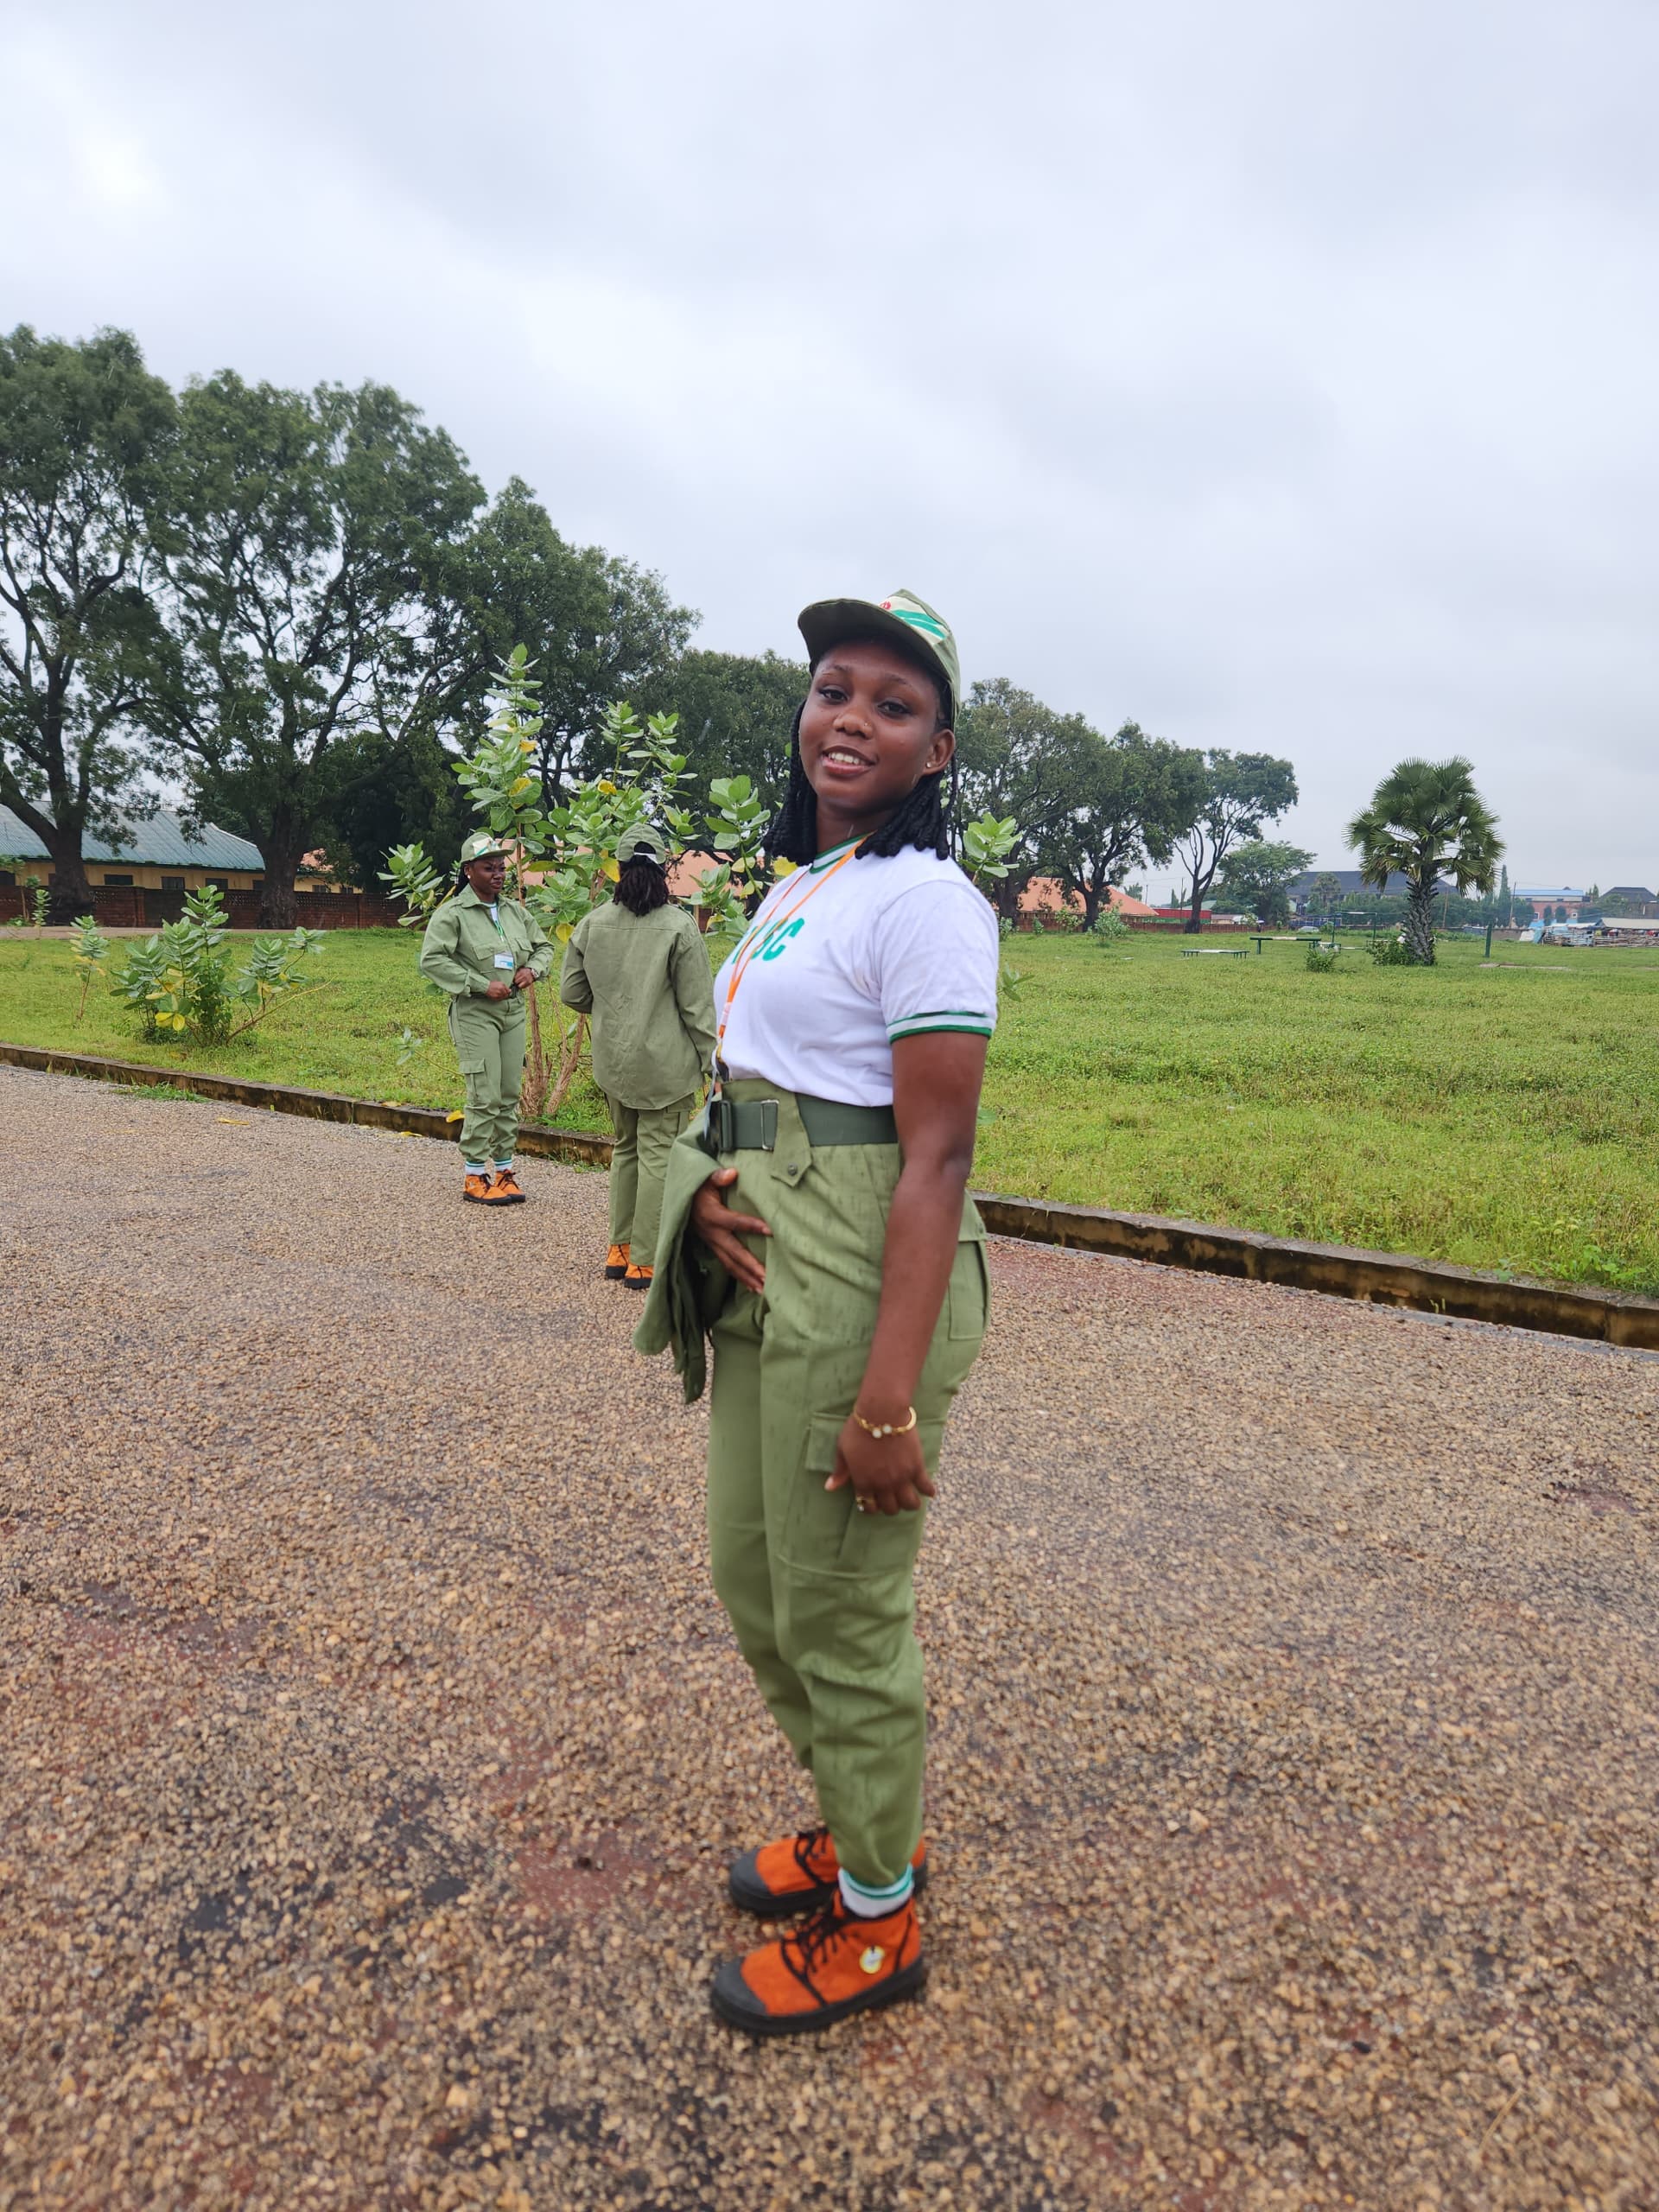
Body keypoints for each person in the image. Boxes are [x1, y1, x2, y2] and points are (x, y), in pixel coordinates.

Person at [635, 589, 998, 2036]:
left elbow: (937, 1156)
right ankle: (863, 1826)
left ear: (937, 750)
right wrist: (701, 1188)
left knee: (841, 1612)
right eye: (834, 688)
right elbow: (753, 1082)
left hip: (857, 1270)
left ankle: (880, 1917)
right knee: (755, 1579)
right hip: (767, 1253)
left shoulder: (926, 901)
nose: (851, 718)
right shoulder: (806, 887)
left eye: (893, 705)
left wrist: (887, 1401)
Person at [558, 823, 717, 1288]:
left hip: (614, 1063)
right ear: (665, 870)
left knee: (625, 1150)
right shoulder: (680, 927)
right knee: (658, 1156)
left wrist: (611, 1008)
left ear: (620, 868)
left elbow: (571, 992)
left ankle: (620, 1249)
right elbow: (697, 1008)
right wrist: (713, 1065)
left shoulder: (592, 924)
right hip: (666, 1068)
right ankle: (646, 1260)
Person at [417, 831, 553, 1205]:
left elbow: (544, 947)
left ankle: (505, 1171)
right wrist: (479, 984)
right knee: (484, 1095)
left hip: (512, 1011)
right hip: (476, 1012)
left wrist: (532, 970)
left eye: (501, 868)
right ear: (468, 871)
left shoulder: (514, 912)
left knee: (508, 1094)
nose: (498, 874)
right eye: (488, 868)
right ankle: (475, 1174)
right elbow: (432, 960)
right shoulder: (453, 914)